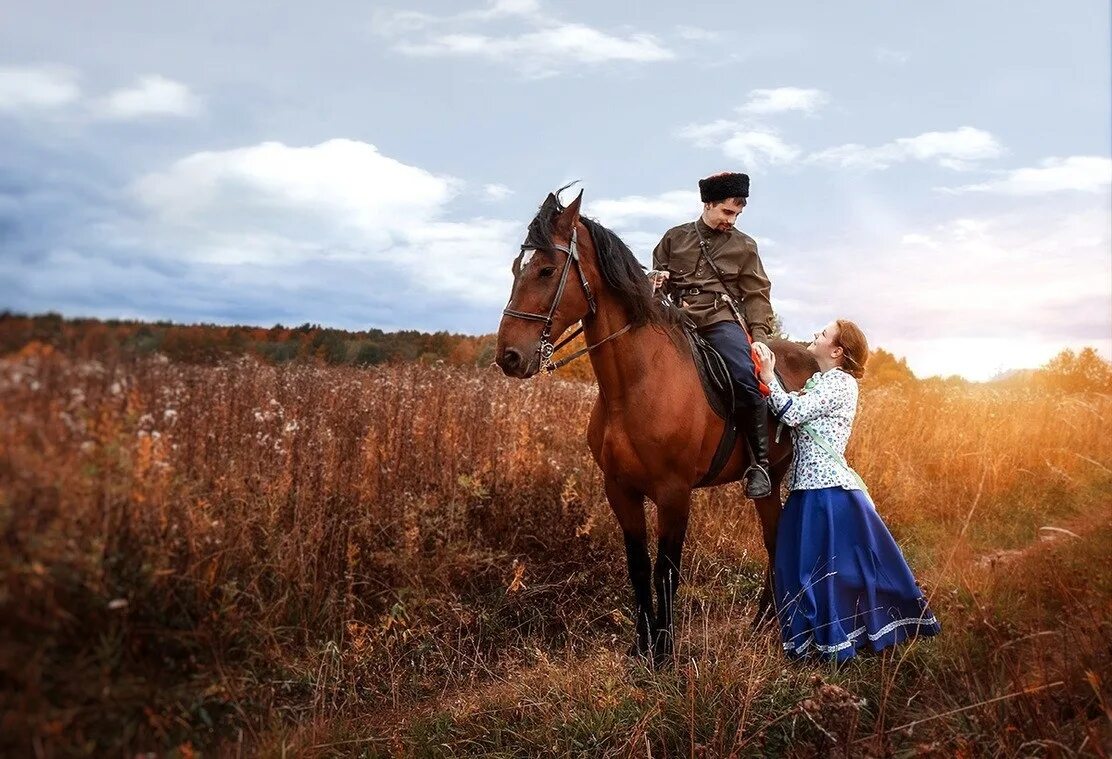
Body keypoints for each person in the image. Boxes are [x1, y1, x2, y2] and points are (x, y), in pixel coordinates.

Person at [753, 322, 940, 662]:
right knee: (802, 567)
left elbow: (792, 414)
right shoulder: (820, 381)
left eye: (823, 334)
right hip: (805, 487)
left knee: (824, 570)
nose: (816, 336)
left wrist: (768, 375)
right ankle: (820, 640)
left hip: (826, 491)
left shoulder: (841, 383)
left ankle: (839, 639)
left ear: (837, 351)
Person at [650, 171, 775, 498]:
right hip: (675, 317)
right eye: (726, 212)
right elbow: (655, 273)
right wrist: (657, 277)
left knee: (745, 377)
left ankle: (758, 463)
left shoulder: (745, 246)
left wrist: (759, 334)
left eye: (737, 214)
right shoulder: (674, 238)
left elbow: (757, 295)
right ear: (708, 204)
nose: (731, 220)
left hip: (719, 319)